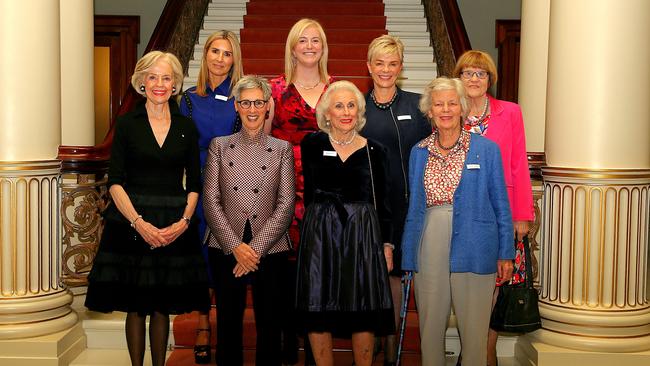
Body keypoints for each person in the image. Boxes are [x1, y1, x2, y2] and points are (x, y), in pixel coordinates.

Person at [85, 51, 210, 366]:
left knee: (161, 306)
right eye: (152, 77)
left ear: (175, 83)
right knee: (136, 306)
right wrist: (139, 223)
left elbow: (196, 183)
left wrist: (183, 222)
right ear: (141, 82)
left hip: (173, 222)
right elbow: (114, 182)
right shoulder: (127, 124)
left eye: (166, 78)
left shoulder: (187, 126)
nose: (159, 84)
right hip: (132, 221)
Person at [401, 77, 514, 366]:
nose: (446, 109)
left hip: (476, 245)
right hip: (430, 243)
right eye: (439, 104)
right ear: (430, 111)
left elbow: (501, 204)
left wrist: (505, 253)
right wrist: (408, 255)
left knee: (475, 336)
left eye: (452, 103)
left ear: (462, 107)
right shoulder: (418, 152)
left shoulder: (486, 150)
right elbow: (414, 207)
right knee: (430, 330)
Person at [296, 80, 395, 366]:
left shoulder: (376, 151)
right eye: (338, 106)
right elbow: (310, 192)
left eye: (351, 105)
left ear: (360, 111)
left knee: (361, 308)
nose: (346, 111)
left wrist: (386, 244)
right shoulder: (312, 144)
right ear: (327, 113)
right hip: (321, 234)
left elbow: (383, 203)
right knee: (318, 305)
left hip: (362, 235)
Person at [202, 75, 295, 366]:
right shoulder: (220, 145)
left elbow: (286, 202)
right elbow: (211, 200)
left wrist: (254, 248)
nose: (252, 109)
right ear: (236, 107)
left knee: (270, 323)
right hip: (224, 244)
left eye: (258, 102)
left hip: (271, 247)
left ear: (268, 106)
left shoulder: (282, 148)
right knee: (228, 322)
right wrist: (235, 246)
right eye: (245, 103)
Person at [453, 50, 535, 366]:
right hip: (461, 213)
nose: (474, 79)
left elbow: (518, 164)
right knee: (465, 284)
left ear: (490, 79)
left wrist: (522, 215)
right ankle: (470, 348)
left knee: (495, 285)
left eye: (481, 73)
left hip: (500, 214)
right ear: (458, 78)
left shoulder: (510, 112)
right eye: (468, 73)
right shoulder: (448, 111)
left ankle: (485, 350)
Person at [265, 18, 334, 364]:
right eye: (302, 40)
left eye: (315, 40)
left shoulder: (336, 89)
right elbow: (260, 142)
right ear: (292, 47)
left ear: (323, 47)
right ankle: (286, 349)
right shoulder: (275, 89)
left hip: (324, 194)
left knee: (318, 276)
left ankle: (315, 353)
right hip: (283, 192)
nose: (309, 46)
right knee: (284, 277)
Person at [361, 34, 431, 366]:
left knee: (395, 278)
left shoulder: (418, 107)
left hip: (411, 208)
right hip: (370, 209)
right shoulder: (357, 108)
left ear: (401, 67)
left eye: (392, 64)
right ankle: (371, 337)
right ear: (369, 66)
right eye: (379, 63)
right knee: (369, 274)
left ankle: (391, 350)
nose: (385, 70)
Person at [178, 29, 243, 364]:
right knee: (201, 253)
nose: (220, 59)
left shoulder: (241, 97)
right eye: (215, 52)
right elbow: (184, 149)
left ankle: (227, 322)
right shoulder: (188, 98)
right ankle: (203, 322)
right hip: (199, 183)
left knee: (225, 251)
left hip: (233, 182)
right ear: (205, 56)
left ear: (235, 59)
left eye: (227, 53)